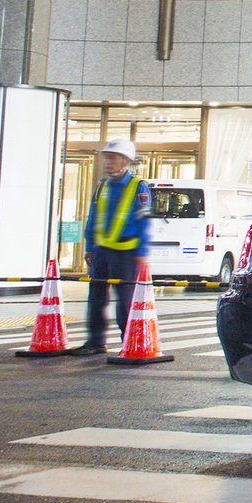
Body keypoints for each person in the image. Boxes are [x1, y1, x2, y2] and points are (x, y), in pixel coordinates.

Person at [75, 138, 151, 355]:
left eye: (113, 157)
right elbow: (93, 218)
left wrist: (142, 253)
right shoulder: (102, 186)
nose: (108, 162)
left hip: (127, 253)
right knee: (96, 297)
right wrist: (90, 247)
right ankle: (95, 342)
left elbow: (144, 220)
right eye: (107, 157)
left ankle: (128, 343)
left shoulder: (138, 186)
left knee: (125, 301)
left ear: (126, 161)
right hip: (101, 252)